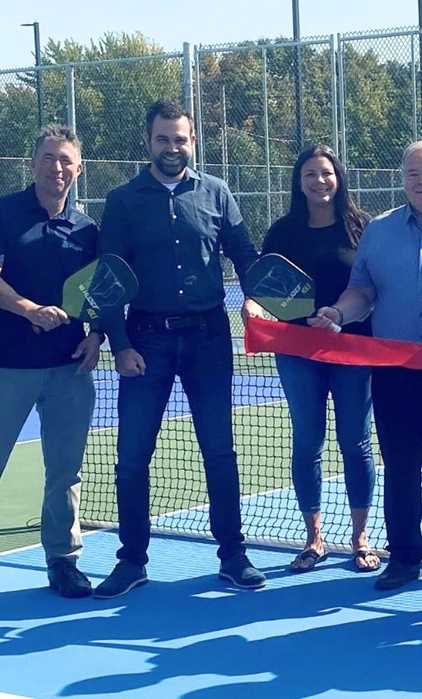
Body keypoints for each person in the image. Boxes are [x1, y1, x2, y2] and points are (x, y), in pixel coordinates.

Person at [93, 100, 265, 599]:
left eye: (181, 139)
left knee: (219, 451)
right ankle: (131, 561)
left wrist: (262, 301)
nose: (173, 147)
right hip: (145, 339)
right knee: (131, 455)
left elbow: (246, 257)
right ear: (149, 143)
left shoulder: (216, 192)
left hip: (210, 339)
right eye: (164, 139)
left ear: (193, 141)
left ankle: (232, 555)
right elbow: (108, 279)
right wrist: (120, 345)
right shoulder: (123, 200)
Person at [0, 124, 104, 617]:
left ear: (79, 169)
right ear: (33, 165)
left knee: (65, 473)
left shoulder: (88, 230)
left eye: (66, 160)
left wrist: (95, 336)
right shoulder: (1, 213)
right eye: (48, 158)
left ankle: (64, 561)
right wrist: (29, 309)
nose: (57, 167)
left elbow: (99, 293)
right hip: (9, 369)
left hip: (70, 370)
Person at [312, 140, 422, 591]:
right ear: (403, 180)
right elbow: (362, 294)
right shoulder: (378, 230)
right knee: (400, 463)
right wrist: (337, 313)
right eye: (414, 173)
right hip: (396, 372)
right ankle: (405, 556)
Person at [244, 145, 379, 574]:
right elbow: (265, 287)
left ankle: (361, 538)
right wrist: (256, 307)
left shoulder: (363, 229)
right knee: (307, 443)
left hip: (353, 349)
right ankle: (313, 539)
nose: (319, 181)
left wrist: (339, 316)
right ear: (298, 182)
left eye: (326, 173)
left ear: (338, 177)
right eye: (309, 174)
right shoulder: (283, 231)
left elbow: (375, 288)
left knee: (355, 443)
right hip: (297, 352)